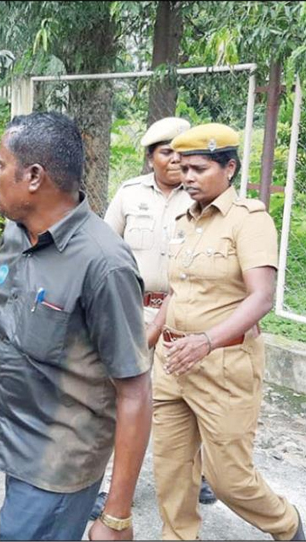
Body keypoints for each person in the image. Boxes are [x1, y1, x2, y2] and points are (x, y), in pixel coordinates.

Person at [0, 112, 153, 541]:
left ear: (33, 176)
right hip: (17, 440)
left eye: (0, 164)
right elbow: (6, 332)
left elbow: (135, 391)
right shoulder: (18, 234)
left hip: (58, 463)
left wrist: (116, 516)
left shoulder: (104, 264)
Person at [148, 123, 306, 541]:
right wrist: (147, 340)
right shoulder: (185, 220)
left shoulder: (248, 221)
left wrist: (206, 341)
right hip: (172, 363)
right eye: (183, 169)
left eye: (199, 169)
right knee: (171, 472)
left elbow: (262, 297)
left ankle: (288, 525)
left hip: (223, 366)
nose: (188, 178)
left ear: (230, 167)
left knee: (228, 480)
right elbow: (178, 291)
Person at [94, 117, 217, 518]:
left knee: (188, 394)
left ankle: (194, 474)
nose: (177, 161)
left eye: (183, 154)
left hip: (185, 310)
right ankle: (112, 483)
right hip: (132, 307)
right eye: (167, 152)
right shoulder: (129, 196)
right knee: (124, 394)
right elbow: (104, 248)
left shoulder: (202, 197)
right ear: (151, 158)